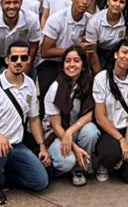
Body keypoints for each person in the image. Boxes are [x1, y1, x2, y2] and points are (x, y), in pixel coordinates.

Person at [0, 39, 50, 204]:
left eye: (23, 58)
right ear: (7, 60)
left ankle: (2, 175)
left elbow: (34, 118)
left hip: (16, 145)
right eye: (14, 58)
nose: (19, 62)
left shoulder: (30, 84)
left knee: (40, 182)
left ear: (29, 60)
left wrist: (42, 146)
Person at [42, 46, 99, 186]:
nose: (72, 64)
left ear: (83, 65)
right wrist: (74, 146)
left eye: (76, 60)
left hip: (72, 129)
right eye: (68, 61)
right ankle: (66, 165)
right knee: (67, 162)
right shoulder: (56, 87)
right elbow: (55, 125)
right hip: (55, 133)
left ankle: (79, 168)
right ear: (63, 65)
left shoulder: (87, 83)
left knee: (91, 131)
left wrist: (70, 131)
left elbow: (92, 113)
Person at [93, 38, 128, 183]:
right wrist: (120, 140)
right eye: (124, 52)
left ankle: (119, 164)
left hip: (126, 130)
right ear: (116, 54)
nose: (127, 57)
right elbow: (100, 117)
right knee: (112, 154)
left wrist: (126, 143)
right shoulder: (101, 78)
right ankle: (104, 163)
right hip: (108, 130)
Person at [39, 0, 97, 93]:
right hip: (52, 62)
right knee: (50, 91)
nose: (85, 2)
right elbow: (45, 52)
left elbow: (91, 51)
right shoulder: (57, 19)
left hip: (76, 62)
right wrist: (75, 50)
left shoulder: (90, 20)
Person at [84, 0, 128, 75]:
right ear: (108, 1)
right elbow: (92, 52)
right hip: (98, 53)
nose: (117, 4)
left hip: (119, 53)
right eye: (114, 0)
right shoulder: (94, 21)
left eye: (122, 2)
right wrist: (99, 76)